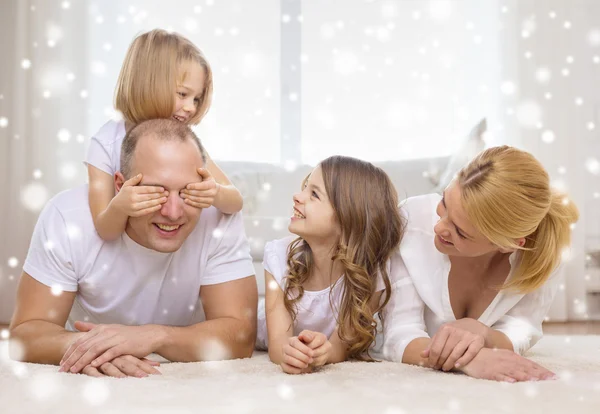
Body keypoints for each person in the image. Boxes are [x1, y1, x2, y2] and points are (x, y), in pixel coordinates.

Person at [9, 119, 257, 378]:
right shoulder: (67, 216)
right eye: (155, 192)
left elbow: (240, 336)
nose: (172, 213)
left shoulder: (218, 217)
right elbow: (26, 334)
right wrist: (94, 348)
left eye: (187, 192)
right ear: (120, 185)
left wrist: (153, 336)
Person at [382, 145, 578, 382]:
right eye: (444, 203)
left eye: (461, 232)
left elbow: (523, 325)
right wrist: (469, 360)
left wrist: (484, 334)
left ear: (508, 244)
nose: (439, 227)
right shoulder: (409, 223)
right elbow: (399, 333)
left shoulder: (543, 250)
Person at [86, 29, 243, 243]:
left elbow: (235, 202)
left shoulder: (184, 143)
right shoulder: (105, 143)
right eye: (183, 94)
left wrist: (215, 193)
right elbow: (106, 231)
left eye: (196, 99)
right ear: (148, 83)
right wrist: (120, 206)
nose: (190, 108)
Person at [257, 156, 405, 374]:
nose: (297, 196)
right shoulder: (279, 257)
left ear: (349, 217)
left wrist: (322, 353)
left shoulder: (371, 274)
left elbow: (339, 348)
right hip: (262, 333)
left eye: (314, 194)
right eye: (305, 187)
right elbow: (278, 343)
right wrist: (288, 352)